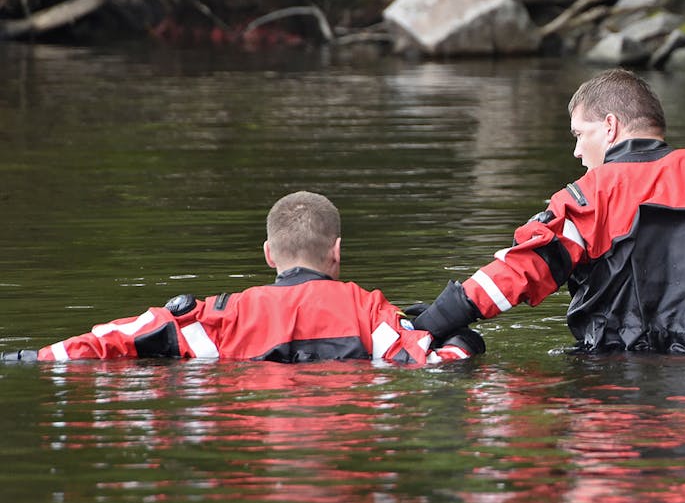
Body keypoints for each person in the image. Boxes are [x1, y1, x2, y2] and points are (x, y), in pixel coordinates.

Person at [413, 68, 685, 353]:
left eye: (578, 134)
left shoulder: (588, 197)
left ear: (610, 127)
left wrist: (435, 320)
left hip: (616, 395)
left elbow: (520, 270)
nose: (575, 151)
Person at [2, 191, 481, 364]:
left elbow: (111, 339)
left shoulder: (215, 316)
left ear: (269, 254)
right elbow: (435, 362)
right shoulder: (368, 310)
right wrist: (465, 341)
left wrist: (28, 356)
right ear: (337, 252)